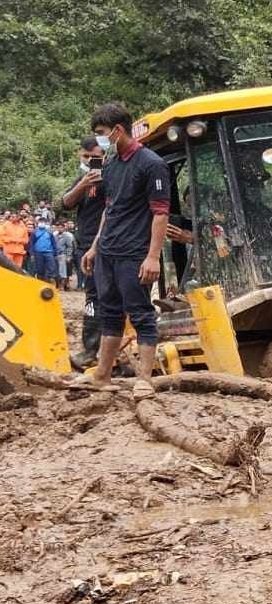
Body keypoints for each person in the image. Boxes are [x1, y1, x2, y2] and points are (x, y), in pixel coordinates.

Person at [81, 103, 170, 392]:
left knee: (141, 314)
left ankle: (145, 379)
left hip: (134, 253)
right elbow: (109, 209)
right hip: (108, 251)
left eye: (102, 132)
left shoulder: (151, 164)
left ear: (118, 130)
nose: (100, 138)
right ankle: (102, 375)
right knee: (109, 314)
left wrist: (153, 257)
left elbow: (160, 213)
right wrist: (95, 247)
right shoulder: (111, 165)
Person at [61, 137, 108, 363]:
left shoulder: (112, 176)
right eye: (86, 156)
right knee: (92, 297)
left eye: (95, 157)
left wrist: (97, 245)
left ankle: (106, 351)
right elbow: (65, 203)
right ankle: (90, 349)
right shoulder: (83, 178)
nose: (90, 160)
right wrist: (83, 184)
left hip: (106, 244)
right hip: (84, 246)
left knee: (107, 296)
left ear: (105, 156)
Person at [28, 216, 57, 283]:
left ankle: (49, 280)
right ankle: (40, 281)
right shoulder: (34, 232)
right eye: (40, 222)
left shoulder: (49, 232)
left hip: (49, 252)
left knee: (51, 268)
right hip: (38, 253)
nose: (42, 223)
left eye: (43, 222)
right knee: (39, 269)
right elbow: (31, 244)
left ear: (46, 223)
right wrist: (32, 254)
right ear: (38, 223)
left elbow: (53, 243)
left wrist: (55, 253)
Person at [53, 222, 75, 290]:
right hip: (55, 255)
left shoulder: (67, 236)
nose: (60, 229)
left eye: (61, 227)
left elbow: (69, 247)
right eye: (58, 227)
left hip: (63, 255)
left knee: (62, 272)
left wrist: (68, 256)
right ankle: (57, 285)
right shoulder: (55, 236)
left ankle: (62, 286)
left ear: (64, 228)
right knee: (56, 271)